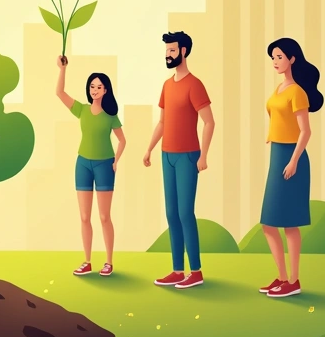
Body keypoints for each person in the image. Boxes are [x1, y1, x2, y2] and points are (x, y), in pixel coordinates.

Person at [143, 31, 215, 290]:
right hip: (166, 155)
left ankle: (195, 271)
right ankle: (177, 270)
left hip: (187, 156)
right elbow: (162, 121)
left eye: (172, 50)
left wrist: (204, 155)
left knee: (185, 212)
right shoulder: (166, 85)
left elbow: (209, 121)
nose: (168, 54)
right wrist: (150, 148)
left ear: (183, 51)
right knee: (171, 213)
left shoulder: (194, 85)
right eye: (166, 50)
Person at [259, 38, 322, 299]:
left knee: (289, 224)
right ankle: (282, 277)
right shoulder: (279, 88)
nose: (275, 61)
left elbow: (305, 131)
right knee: (269, 223)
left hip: (290, 157)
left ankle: (294, 280)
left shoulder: (297, 92)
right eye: (273, 57)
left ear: (292, 59)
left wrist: (294, 160)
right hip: (277, 155)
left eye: (279, 57)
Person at [56, 56, 126, 277]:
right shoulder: (82, 110)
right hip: (83, 164)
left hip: (105, 165)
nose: (95, 89)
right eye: (92, 86)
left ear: (106, 90)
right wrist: (62, 69)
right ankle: (87, 261)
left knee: (104, 217)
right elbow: (60, 93)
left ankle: (108, 261)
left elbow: (123, 140)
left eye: (99, 87)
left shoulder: (111, 115)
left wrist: (116, 160)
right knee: (84, 217)